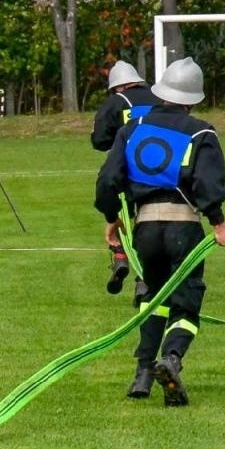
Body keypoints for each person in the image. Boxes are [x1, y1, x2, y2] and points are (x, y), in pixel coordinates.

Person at [95, 58, 225, 406]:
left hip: (144, 229)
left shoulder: (131, 129)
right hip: (183, 229)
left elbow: (108, 180)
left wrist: (112, 217)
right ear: (193, 99)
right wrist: (220, 225)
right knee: (185, 303)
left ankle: (143, 373)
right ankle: (171, 359)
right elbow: (207, 183)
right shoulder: (200, 131)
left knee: (152, 298)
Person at [90, 60, 157, 296]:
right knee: (149, 222)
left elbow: (99, 140)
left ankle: (120, 257)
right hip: (161, 170)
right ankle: (144, 278)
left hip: (126, 171)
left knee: (121, 217)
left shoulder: (116, 103)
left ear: (118, 87)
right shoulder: (161, 98)